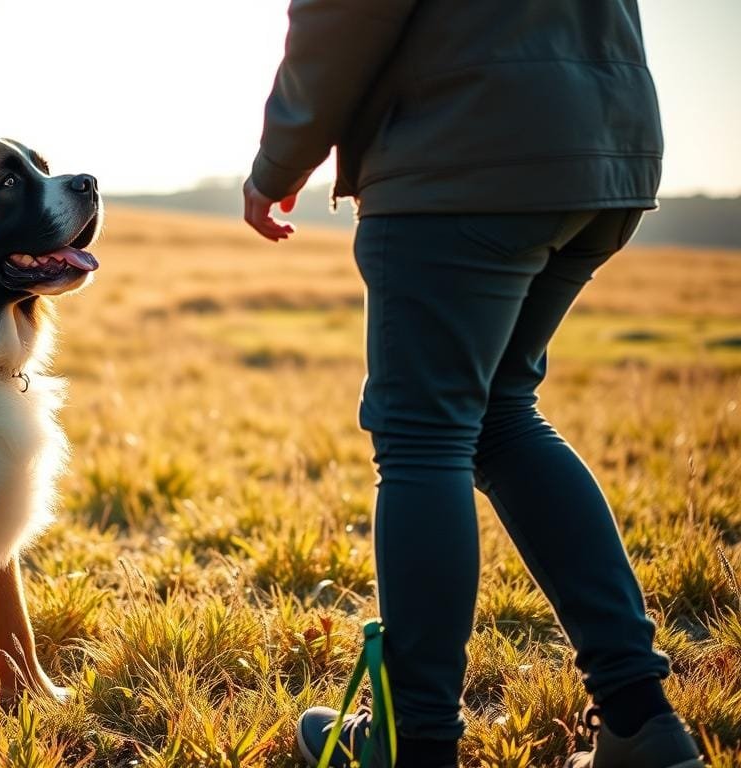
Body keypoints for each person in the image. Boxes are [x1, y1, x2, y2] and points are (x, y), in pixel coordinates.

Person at [241, 2, 703, 767]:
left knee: (423, 439)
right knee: (498, 417)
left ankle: (415, 742)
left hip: (463, 151)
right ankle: (639, 721)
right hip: (602, 143)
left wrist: (278, 161)